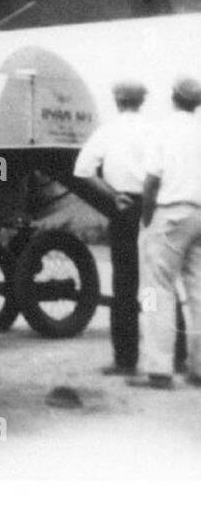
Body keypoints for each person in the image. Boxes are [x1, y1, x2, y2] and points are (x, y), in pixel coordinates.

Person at [73, 80, 151, 375]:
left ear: (117, 101)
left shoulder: (108, 131)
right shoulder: (154, 130)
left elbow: (82, 170)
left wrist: (111, 195)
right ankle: (173, 356)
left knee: (125, 284)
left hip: (125, 209)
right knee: (160, 283)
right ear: (142, 101)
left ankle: (126, 360)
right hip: (154, 207)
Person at [134, 77, 201, 389]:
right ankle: (198, 369)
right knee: (199, 292)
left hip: (170, 213)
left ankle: (159, 368)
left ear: (173, 97)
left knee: (154, 289)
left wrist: (147, 222)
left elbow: (150, 182)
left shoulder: (162, 129)